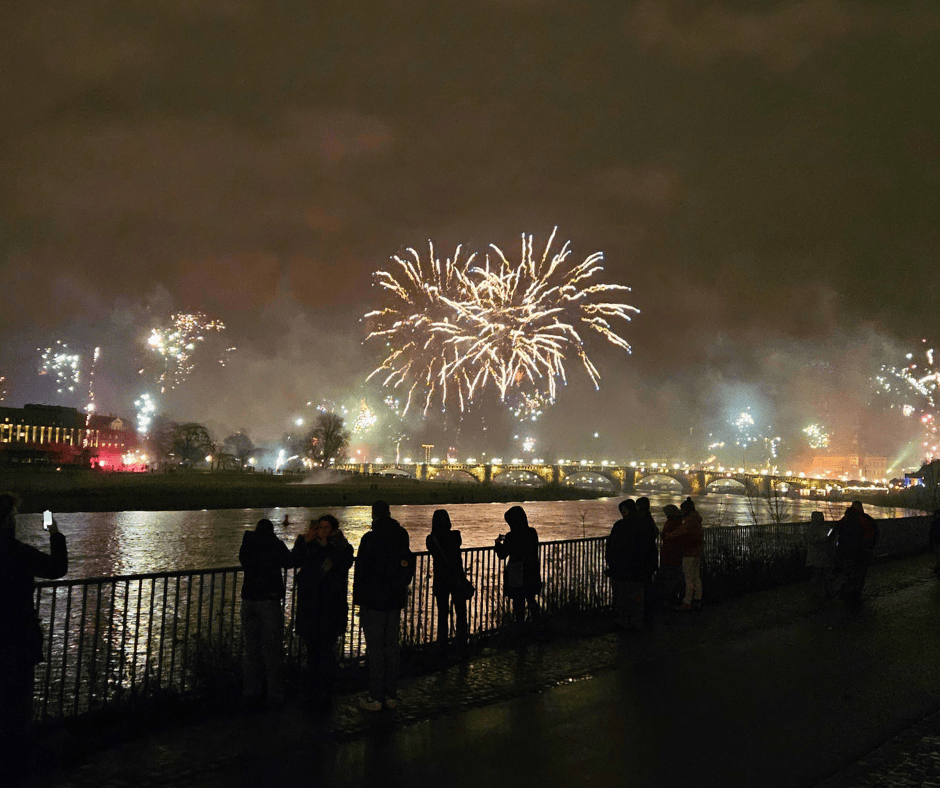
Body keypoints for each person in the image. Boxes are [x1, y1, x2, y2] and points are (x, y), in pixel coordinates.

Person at [0, 494, 68, 787]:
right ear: (6, 521)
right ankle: (16, 767)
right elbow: (56, 568)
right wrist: (55, 534)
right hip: (17, 639)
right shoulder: (17, 553)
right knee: (17, 707)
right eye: (13, 515)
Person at [352, 500, 413, 712]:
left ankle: (375, 697)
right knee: (391, 647)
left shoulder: (370, 538)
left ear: (373, 515)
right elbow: (407, 562)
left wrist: (358, 599)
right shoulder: (401, 535)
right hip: (394, 600)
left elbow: (361, 570)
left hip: (374, 600)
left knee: (376, 649)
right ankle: (391, 694)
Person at [292, 514, 354, 713]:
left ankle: (326, 691)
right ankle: (312, 691)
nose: (323, 531)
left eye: (328, 527)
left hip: (330, 610)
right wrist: (303, 541)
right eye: (321, 527)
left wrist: (329, 545)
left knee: (326, 651)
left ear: (334, 530)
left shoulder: (341, 547)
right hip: (311, 610)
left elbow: (344, 563)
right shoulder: (308, 545)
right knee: (312, 652)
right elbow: (294, 559)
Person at [238, 518, 293, 708]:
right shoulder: (274, 544)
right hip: (268, 601)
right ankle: (274, 693)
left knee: (251, 649)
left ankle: (251, 690)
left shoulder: (247, 543)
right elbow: (289, 562)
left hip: (248, 600)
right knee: (272, 649)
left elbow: (244, 561)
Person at [426, 509, 469, 661]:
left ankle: (442, 647)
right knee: (461, 613)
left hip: (441, 579)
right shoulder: (455, 536)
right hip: (457, 578)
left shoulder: (431, 539)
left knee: (442, 614)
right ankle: (462, 644)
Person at [495, 506, 541, 629]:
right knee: (531, 599)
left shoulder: (511, 536)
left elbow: (503, 554)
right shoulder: (532, 533)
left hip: (518, 574)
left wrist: (498, 543)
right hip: (531, 571)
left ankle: (520, 630)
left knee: (518, 602)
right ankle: (538, 626)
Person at [672, 497, 704, 611]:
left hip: (689, 552)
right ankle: (697, 599)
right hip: (697, 553)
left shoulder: (689, 521)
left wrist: (668, 536)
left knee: (689, 578)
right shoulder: (697, 520)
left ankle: (687, 602)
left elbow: (680, 532)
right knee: (696, 577)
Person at [834, 505, 866, 603]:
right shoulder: (861, 522)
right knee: (856, 573)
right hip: (857, 552)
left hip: (845, 552)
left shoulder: (844, 523)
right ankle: (855, 594)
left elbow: (837, 531)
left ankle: (846, 593)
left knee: (847, 573)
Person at [804, 511, 837, 603]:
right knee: (820, 575)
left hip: (820, 557)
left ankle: (823, 593)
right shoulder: (815, 529)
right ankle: (822, 593)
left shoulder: (813, 529)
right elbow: (821, 539)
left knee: (821, 575)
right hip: (820, 556)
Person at [657, 504, 685, 609]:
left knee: (669, 577)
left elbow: (666, 537)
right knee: (675, 577)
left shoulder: (671, 523)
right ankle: (674, 599)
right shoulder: (679, 522)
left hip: (669, 554)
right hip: (675, 554)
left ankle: (667, 600)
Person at [929, 509, 940, 575]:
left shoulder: (935, 523)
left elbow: (931, 532)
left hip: (936, 540)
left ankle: (937, 567)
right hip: (937, 540)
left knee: (937, 554)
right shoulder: (935, 523)